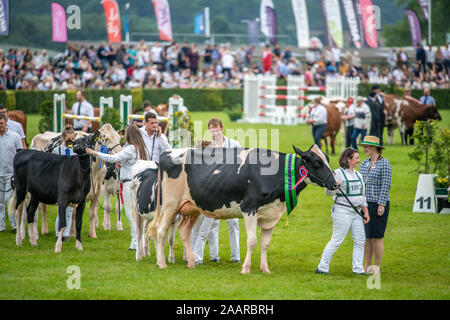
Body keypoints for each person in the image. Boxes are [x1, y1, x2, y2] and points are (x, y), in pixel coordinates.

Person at [86, 125, 149, 251]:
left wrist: (95, 153)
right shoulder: (142, 148)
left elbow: (114, 157)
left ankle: (138, 242)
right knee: (137, 214)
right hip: (140, 182)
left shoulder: (130, 148)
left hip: (129, 184)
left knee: (131, 214)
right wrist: (123, 164)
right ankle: (135, 242)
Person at [191, 118, 241, 265]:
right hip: (214, 191)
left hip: (231, 190)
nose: (214, 131)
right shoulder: (207, 147)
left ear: (221, 128)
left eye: (216, 128)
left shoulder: (234, 145)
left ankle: (235, 256)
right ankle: (213, 256)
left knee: (234, 223)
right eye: (211, 128)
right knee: (210, 224)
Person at [316, 148, 370, 275]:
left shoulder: (358, 175)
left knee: (360, 240)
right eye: (356, 158)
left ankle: (358, 269)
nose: (359, 160)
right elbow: (328, 193)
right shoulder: (337, 173)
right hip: (342, 211)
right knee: (337, 240)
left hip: (357, 213)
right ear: (348, 159)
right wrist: (332, 185)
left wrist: (365, 211)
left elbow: (362, 195)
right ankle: (322, 267)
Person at [358, 136, 392, 274]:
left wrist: (381, 204)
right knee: (367, 236)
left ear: (374, 147)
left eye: (366, 146)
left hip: (378, 204)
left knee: (377, 237)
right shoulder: (364, 163)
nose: (364, 149)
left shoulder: (385, 164)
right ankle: (366, 267)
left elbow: (386, 185)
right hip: (365, 205)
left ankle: (376, 267)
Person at [52, 124, 76, 242]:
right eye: (68, 140)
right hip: (60, 182)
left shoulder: (75, 151)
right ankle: (58, 233)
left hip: (72, 183)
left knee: (70, 210)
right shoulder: (57, 150)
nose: (70, 142)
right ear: (63, 139)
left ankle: (65, 234)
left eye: (72, 139)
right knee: (61, 208)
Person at [0, 113, 22, 232]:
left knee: (10, 199)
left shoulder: (15, 136)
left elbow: (20, 154)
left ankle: (14, 225)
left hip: (11, 173)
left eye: (1, 123)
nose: (0, 125)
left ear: (5, 122)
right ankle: (1, 226)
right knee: (0, 201)